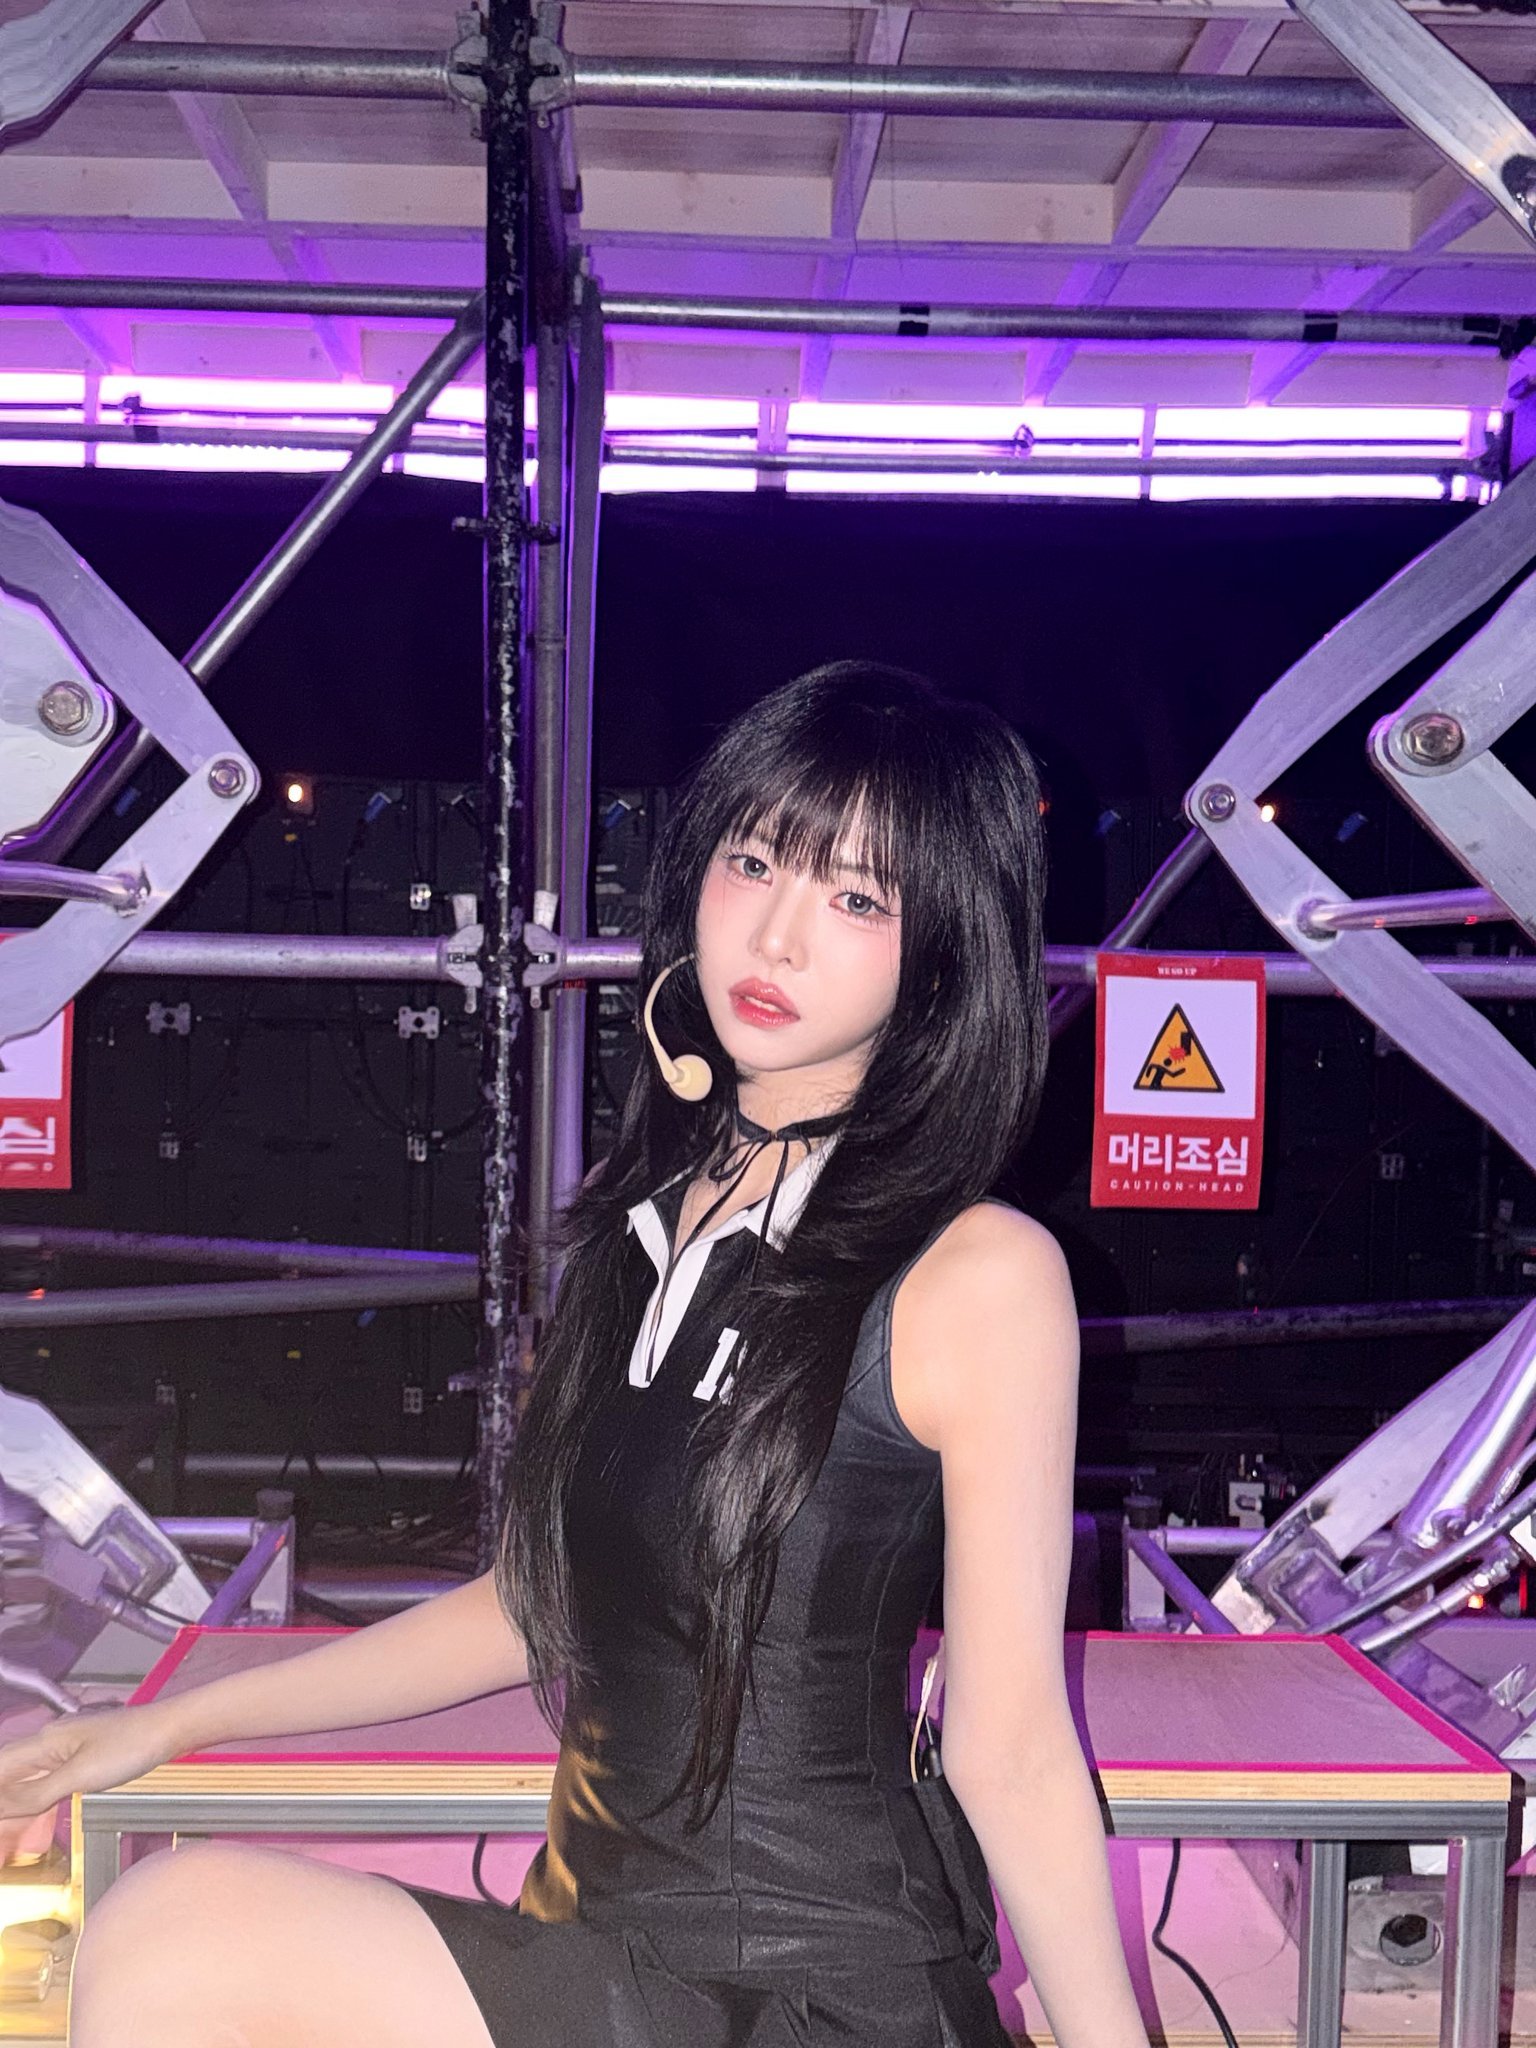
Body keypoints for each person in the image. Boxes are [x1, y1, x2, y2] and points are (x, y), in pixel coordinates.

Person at [0, 662, 1150, 2048]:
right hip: (597, 1945)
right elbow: (533, 1607)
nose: (777, 935)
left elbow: (1010, 1745)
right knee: (167, 1942)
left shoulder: (978, 1275)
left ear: (943, 957)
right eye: (753, 862)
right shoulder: (636, 1227)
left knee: (173, 1936)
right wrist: (167, 1724)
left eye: (858, 900)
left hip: (811, 1989)